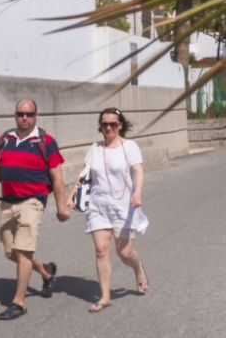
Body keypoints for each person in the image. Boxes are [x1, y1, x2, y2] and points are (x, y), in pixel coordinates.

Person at [0, 99, 70, 321]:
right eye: (20, 114)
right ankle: (46, 271)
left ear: (37, 115)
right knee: (11, 253)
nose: (24, 118)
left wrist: (60, 207)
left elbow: (57, 177)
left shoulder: (46, 142)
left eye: (29, 114)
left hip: (33, 202)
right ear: (15, 115)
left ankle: (19, 303)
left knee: (24, 251)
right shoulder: (4, 140)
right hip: (8, 201)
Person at [66, 107, 149, 313]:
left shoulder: (129, 147)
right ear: (100, 126)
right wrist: (71, 196)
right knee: (102, 250)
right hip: (98, 206)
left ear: (120, 125)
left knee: (125, 252)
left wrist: (137, 192)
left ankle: (138, 269)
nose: (109, 127)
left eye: (113, 123)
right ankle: (104, 296)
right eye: (105, 124)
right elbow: (84, 174)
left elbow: (138, 170)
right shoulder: (95, 148)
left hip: (123, 206)